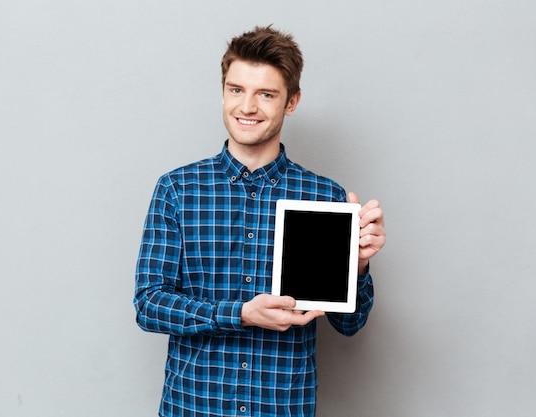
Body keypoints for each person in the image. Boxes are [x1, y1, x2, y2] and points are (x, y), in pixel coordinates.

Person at [134, 25, 386, 417]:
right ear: (223, 92)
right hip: (194, 407)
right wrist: (239, 313)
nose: (247, 107)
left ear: (292, 102)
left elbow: (349, 325)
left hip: (282, 407)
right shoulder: (177, 189)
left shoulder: (324, 197)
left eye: (265, 94)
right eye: (236, 90)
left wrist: (357, 266)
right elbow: (149, 305)